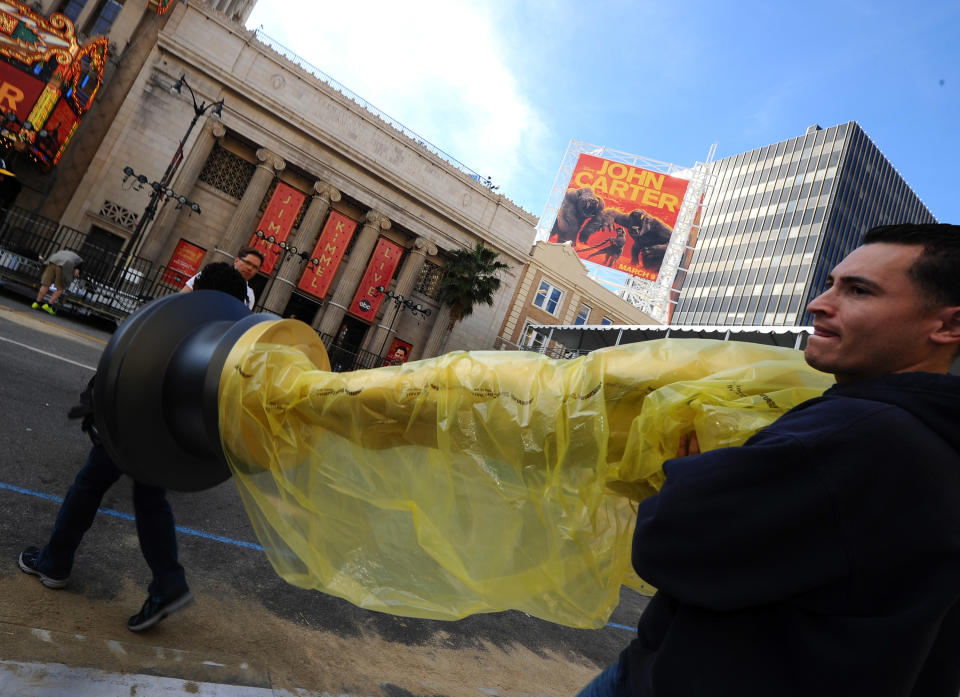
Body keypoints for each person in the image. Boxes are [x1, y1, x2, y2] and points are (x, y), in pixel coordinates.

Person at [578, 223, 960, 697]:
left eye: (859, 291)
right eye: (831, 284)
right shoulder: (934, 434)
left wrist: (699, 471)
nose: (819, 304)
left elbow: (670, 542)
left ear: (948, 326)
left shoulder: (860, 432)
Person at [18, 262, 250, 632]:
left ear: (203, 291)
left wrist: (101, 402)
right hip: (173, 440)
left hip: (136, 420)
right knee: (148, 495)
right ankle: (166, 581)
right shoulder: (237, 343)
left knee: (91, 484)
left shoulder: (183, 321)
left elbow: (131, 360)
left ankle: (56, 563)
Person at [180, 248, 263, 310]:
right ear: (237, 261)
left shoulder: (250, 296)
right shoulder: (212, 273)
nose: (250, 268)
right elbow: (182, 295)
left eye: (255, 267)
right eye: (248, 263)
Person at [32, 249, 83, 315]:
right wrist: (71, 278)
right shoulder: (80, 261)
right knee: (60, 288)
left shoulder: (62, 252)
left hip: (52, 261)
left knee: (45, 284)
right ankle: (48, 305)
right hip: (64, 264)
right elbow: (76, 273)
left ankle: (36, 303)